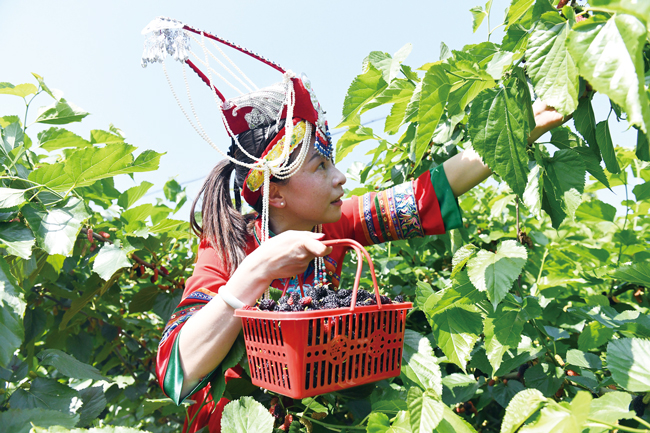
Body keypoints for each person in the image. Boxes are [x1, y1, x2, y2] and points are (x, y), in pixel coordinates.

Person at [142, 17, 565, 433]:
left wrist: (518, 130)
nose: (340, 177)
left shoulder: (333, 227)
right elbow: (175, 369)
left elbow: (424, 195)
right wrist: (256, 271)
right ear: (275, 193)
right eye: (320, 166)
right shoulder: (228, 246)